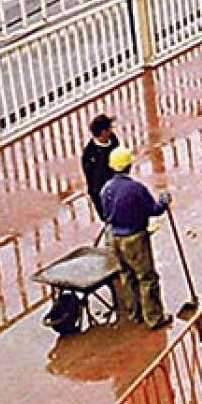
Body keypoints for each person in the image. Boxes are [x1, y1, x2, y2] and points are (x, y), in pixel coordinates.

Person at [101, 146, 173, 330]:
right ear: (129, 165)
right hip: (134, 238)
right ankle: (154, 317)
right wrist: (164, 200)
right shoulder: (135, 188)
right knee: (146, 277)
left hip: (115, 237)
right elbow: (153, 210)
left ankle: (135, 313)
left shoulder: (106, 189)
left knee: (127, 276)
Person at [81, 113, 119, 220]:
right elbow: (94, 187)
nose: (112, 130)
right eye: (110, 128)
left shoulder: (113, 139)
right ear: (103, 132)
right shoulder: (90, 156)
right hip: (107, 197)